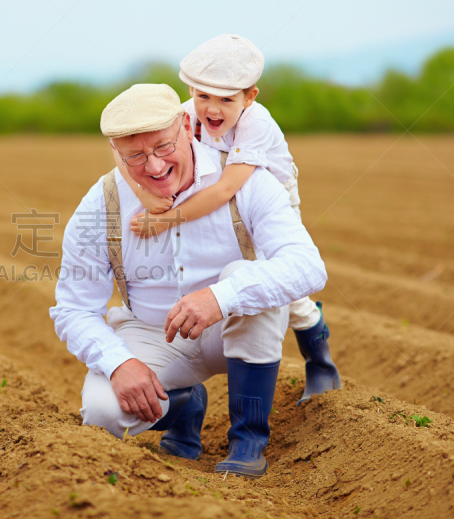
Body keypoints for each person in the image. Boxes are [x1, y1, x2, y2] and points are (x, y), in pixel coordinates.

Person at [50, 83, 328, 479]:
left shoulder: (244, 178)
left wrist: (222, 297)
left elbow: (307, 265)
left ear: (185, 123)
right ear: (115, 151)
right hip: (154, 333)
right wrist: (119, 363)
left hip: (232, 327)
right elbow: (75, 308)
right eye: (136, 156)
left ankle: (248, 438)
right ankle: (182, 404)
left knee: (246, 279)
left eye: (164, 147)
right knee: (103, 413)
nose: (155, 167)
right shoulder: (102, 203)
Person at [113, 34, 340, 405]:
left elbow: (226, 189)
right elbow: (124, 147)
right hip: (214, 193)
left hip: (266, 194)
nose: (211, 109)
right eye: (203, 96)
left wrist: (165, 219)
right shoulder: (184, 115)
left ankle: (321, 363)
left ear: (250, 97)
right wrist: (146, 197)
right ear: (190, 89)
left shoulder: (256, 124)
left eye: (225, 99)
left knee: (283, 287)